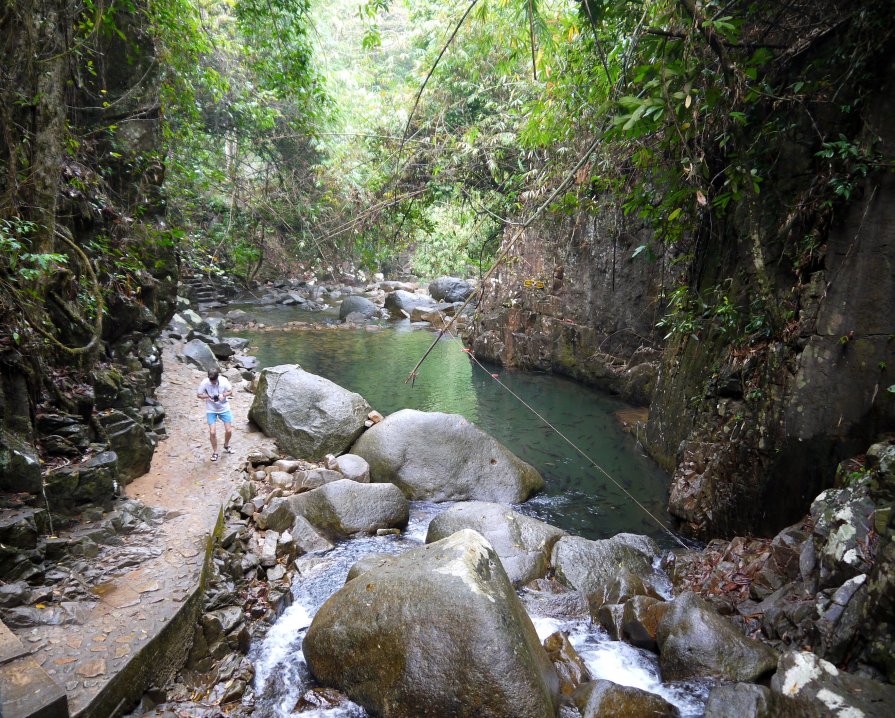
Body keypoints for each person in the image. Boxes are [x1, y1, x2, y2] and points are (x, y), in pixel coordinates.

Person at [196, 369, 233, 461]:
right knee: (212, 432)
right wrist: (208, 397)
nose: (213, 382)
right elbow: (199, 395)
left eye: (214, 381)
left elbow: (230, 391)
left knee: (228, 430)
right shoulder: (204, 383)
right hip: (211, 409)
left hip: (224, 408)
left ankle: (226, 445)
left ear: (218, 377)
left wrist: (223, 395)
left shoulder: (224, 381)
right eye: (211, 380)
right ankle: (215, 452)